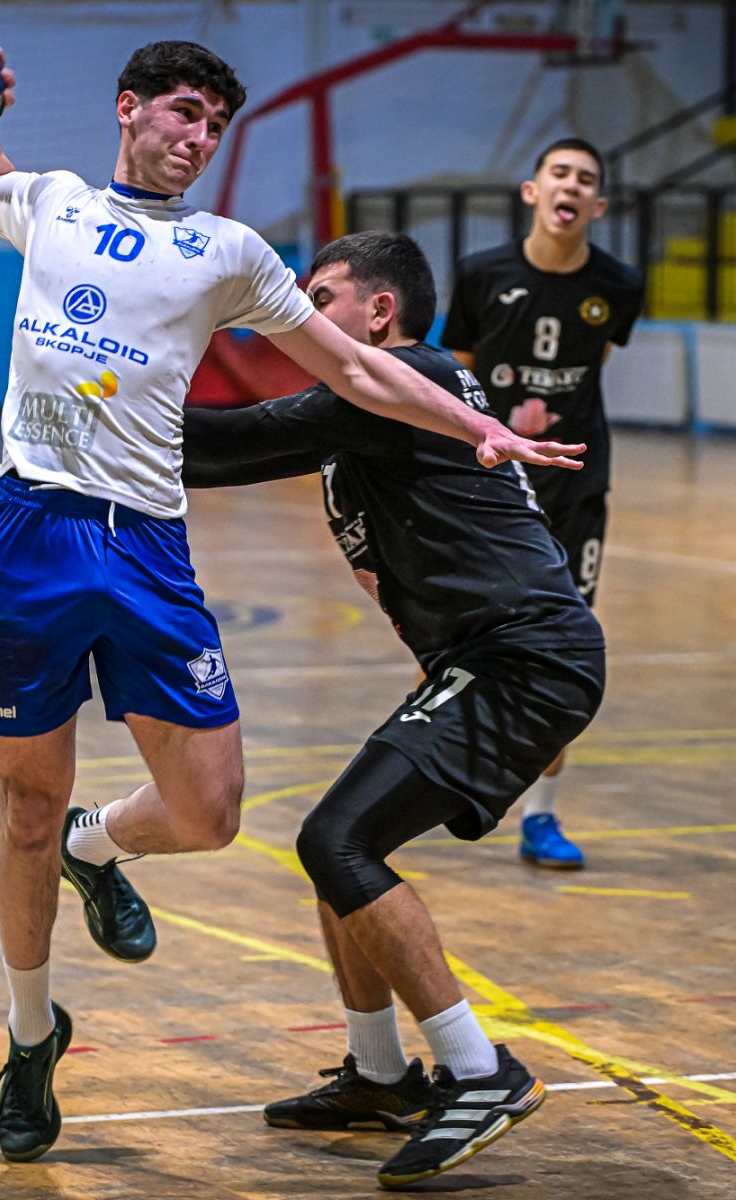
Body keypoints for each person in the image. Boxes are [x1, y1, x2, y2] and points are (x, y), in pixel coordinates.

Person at [0, 40, 588, 1163]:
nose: (198, 137)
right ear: (129, 108)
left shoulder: (229, 251)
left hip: (148, 548)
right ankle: (32, 1032)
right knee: (26, 808)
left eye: (215, 125)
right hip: (31, 533)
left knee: (210, 814)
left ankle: (102, 847)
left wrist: (476, 424)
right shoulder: (51, 203)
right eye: (184, 113)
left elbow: (358, 370)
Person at [180, 231, 605, 1189]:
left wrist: (95, 394)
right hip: (487, 657)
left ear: (380, 312)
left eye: (319, 296)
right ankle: (379, 1076)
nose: (300, 313)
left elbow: (227, 440)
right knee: (340, 844)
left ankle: (480, 1073)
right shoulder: (371, 406)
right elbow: (224, 456)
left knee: (338, 842)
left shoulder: (407, 379)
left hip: (525, 658)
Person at [438, 136, 643, 870]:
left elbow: (594, 367)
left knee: (563, 653)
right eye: (560, 173)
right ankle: (438, 776)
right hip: (490, 493)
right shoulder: (481, 275)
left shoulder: (619, 285)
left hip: (575, 490)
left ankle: (541, 816)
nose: (571, 186)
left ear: (599, 204)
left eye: (586, 179)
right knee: (461, 645)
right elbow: (457, 380)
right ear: (532, 191)